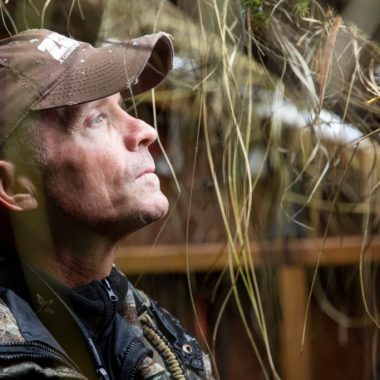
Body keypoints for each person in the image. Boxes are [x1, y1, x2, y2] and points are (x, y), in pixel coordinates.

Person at [0, 29, 214, 380]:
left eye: (122, 107)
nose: (145, 130)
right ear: (15, 186)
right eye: (97, 119)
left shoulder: (161, 337)